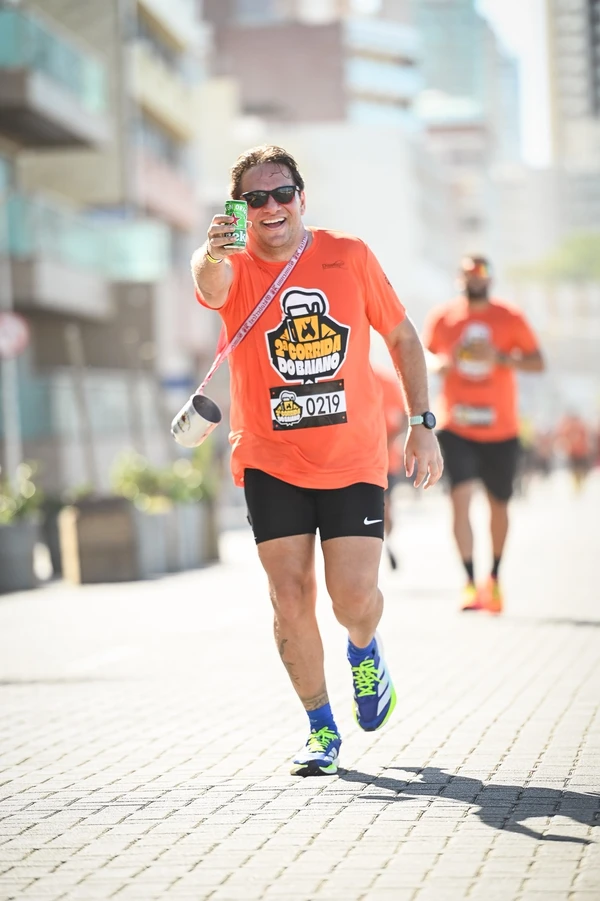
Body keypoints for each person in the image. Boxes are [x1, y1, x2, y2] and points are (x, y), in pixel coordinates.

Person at [191, 145, 443, 777]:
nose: (270, 207)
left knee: (352, 597)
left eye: (281, 194)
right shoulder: (236, 264)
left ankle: (364, 648)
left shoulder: (349, 255)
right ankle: (320, 728)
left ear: (302, 198)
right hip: (270, 456)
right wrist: (212, 250)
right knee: (288, 594)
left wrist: (420, 424)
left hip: (353, 456)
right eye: (255, 199)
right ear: (240, 210)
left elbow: (403, 336)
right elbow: (207, 281)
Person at [422, 256, 544, 614]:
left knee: (498, 505)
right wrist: (439, 363)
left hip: (501, 427)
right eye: (467, 274)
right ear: (459, 278)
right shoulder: (443, 317)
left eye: (480, 274)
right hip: (456, 424)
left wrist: (502, 359)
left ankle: (494, 577)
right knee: (459, 498)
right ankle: (470, 582)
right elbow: (424, 354)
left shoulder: (509, 317)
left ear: (490, 279)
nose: (474, 280)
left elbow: (537, 362)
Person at [374, 368, 407, 570]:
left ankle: (386, 543)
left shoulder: (386, 383)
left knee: (385, 509)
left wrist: (391, 439)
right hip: (357, 461)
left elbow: (404, 417)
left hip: (387, 462)